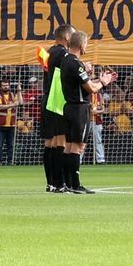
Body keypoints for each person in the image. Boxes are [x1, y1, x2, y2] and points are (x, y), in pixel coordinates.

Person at [41, 25, 95, 195]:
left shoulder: (52, 52)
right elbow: (71, 66)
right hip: (57, 100)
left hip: (51, 99)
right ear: (66, 38)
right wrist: (83, 67)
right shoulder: (63, 55)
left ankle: (54, 183)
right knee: (61, 143)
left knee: (52, 142)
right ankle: (60, 182)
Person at [0, 83, 17, 165]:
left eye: (7, 85)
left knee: (11, 145)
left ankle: (10, 161)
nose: (5, 87)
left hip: (11, 124)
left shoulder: (13, 95)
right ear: (0, 86)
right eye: (3, 85)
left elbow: (20, 102)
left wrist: (19, 91)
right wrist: (12, 105)